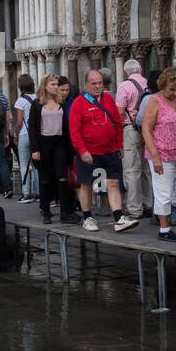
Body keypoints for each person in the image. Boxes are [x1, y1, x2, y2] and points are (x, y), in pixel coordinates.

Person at [69, 68, 138, 232]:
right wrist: (82, 150)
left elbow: (118, 123)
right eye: (93, 83)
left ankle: (119, 218)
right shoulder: (78, 103)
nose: (97, 86)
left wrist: (119, 144)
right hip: (89, 152)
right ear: (86, 84)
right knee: (86, 184)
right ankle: (87, 217)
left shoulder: (108, 100)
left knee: (113, 183)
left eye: (100, 83)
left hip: (110, 150)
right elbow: (74, 130)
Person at [142, 68, 176, 242]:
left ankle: (163, 210)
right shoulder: (154, 101)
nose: (175, 92)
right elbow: (146, 129)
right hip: (161, 152)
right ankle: (164, 228)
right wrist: (155, 156)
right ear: (163, 86)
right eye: (171, 89)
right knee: (163, 191)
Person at [27, 74, 76, 225]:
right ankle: (46, 211)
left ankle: (65, 212)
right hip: (44, 143)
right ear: (45, 86)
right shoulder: (37, 104)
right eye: (53, 84)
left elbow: (66, 127)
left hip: (59, 142)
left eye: (57, 84)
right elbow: (32, 127)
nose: (56, 87)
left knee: (62, 178)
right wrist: (34, 149)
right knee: (45, 179)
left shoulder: (61, 102)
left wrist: (70, 149)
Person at [115, 59, 150, 219]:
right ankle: (149, 204)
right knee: (146, 169)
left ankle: (135, 209)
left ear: (125, 71)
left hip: (131, 129)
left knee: (131, 169)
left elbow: (120, 112)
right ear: (140, 69)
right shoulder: (147, 82)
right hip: (148, 129)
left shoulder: (124, 86)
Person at [13, 75, 38, 204]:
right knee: (36, 165)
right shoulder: (37, 98)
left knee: (24, 165)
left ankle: (26, 193)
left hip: (24, 134)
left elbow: (19, 122)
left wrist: (15, 134)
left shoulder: (20, 101)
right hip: (36, 136)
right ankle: (39, 192)